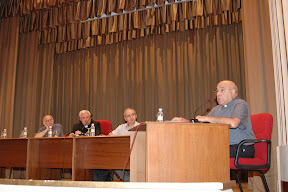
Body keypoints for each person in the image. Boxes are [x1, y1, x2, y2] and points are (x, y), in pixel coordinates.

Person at [172, 80, 256, 158]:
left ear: (233, 91)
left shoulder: (240, 104)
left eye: (222, 90)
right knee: (193, 149)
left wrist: (207, 118)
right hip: (224, 147)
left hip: (242, 147)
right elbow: (201, 123)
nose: (218, 94)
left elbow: (234, 124)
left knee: (205, 153)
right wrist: (184, 121)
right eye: (217, 91)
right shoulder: (217, 109)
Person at [69, 110, 111, 181]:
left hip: (93, 150)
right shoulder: (76, 126)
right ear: (80, 119)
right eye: (83, 117)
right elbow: (70, 134)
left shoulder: (95, 124)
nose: (86, 119)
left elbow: (97, 134)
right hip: (80, 151)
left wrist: (81, 133)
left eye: (87, 117)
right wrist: (71, 135)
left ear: (90, 118)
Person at [109, 108, 140, 182]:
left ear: (136, 116)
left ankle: (130, 182)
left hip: (137, 155)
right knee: (113, 163)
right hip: (123, 155)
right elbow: (110, 135)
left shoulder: (141, 126)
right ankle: (130, 181)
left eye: (133, 115)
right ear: (125, 118)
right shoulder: (121, 127)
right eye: (128, 116)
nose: (131, 117)